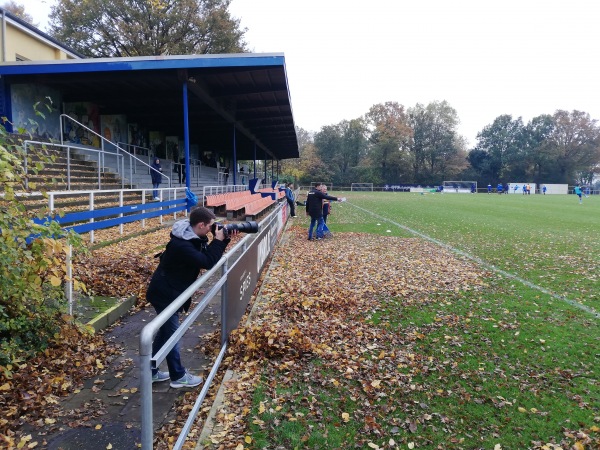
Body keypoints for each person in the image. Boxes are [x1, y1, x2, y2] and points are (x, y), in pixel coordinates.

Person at [146, 207, 235, 388]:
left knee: (165, 333)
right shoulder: (182, 245)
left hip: (170, 290)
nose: (212, 229)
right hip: (165, 293)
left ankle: (151, 371)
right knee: (172, 334)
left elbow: (206, 256)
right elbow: (207, 262)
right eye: (210, 226)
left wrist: (223, 240)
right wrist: (218, 241)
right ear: (201, 225)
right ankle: (178, 376)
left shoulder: (193, 236)